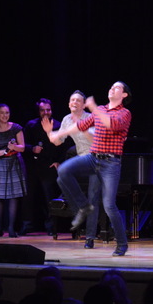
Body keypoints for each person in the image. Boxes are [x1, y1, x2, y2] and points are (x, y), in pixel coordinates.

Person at [49, 81, 132, 256]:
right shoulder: (100, 109)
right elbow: (81, 126)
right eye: (111, 87)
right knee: (63, 171)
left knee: (109, 205)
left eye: (117, 88)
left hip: (111, 162)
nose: (112, 89)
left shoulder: (124, 113)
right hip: (93, 158)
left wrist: (93, 107)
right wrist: (58, 134)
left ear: (124, 95)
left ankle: (122, 244)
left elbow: (112, 125)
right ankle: (83, 206)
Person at [43, 90, 100, 249]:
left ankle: (89, 237)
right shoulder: (67, 119)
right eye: (72, 100)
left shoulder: (91, 118)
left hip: (96, 158)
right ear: (69, 104)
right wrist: (49, 131)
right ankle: (82, 206)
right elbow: (58, 141)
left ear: (83, 105)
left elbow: (95, 139)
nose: (74, 102)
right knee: (62, 177)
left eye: (78, 100)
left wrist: (81, 127)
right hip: (82, 158)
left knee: (94, 197)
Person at [20, 98, 63, 235]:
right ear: (38, 111)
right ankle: (27, 225)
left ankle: (51, 227)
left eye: (48, 110)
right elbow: (23, 145)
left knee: (49, 198)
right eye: (43, 110)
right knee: (28, 197)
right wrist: (32, 149)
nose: (46, 112)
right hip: (32, 166)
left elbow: (64, 146)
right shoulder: (31, 125)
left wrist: (58, 161)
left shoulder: (58, 125)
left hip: (48, 167)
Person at [0, 104, 27, 237]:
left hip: (14, 163)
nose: (5, 115)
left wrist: (14, 147)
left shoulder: (16, 128)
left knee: (13, 196)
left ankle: (10, 227)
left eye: (7, 113)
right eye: (2, 113)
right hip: (0, 165)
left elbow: (22, 147)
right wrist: (5, 151)